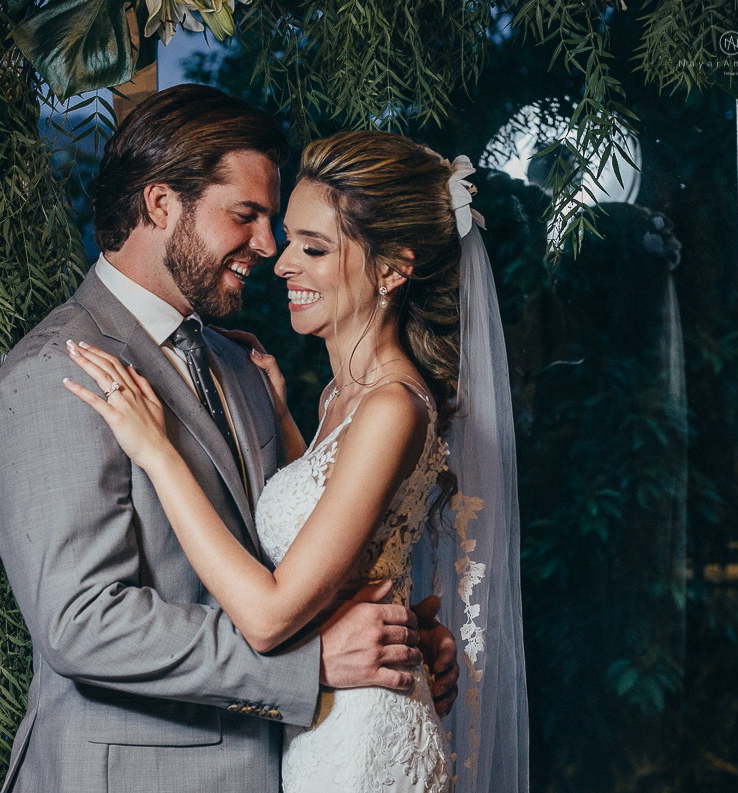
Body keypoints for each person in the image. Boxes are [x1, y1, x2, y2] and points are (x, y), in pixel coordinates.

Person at [0, 86, 459, 793]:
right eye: (247, 216)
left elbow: (296, 554)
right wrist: (311, 663)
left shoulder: (240, 362)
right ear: (161, 204)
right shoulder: (56, 374)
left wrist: (397, 639)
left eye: (277, 224)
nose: (268, 247)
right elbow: (82, 622)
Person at [64, 130, 529, 792]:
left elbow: (270, 614)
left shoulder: (393, 406)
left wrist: (157, 449)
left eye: (313, 247)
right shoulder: (343, 395)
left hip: (365, 742)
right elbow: (330, 539)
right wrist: (286, 423)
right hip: (322, 728)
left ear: (393, 270)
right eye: (287, 240)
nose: (281, 263)